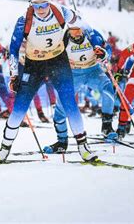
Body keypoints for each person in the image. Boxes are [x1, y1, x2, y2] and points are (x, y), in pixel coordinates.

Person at [0, 0, 97, 163]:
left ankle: (83, 147)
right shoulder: (24, 20)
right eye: (36, 5)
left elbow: (86, 28)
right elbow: (12, 49)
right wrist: (13, 76)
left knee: (69, 102)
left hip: (58, 62)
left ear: (50, 2)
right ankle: (3, 150)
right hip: (34, 65)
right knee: (20, 105)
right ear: (31, 4)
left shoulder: (62, 12)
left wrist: (97, 46)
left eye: (44, 5)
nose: (41, 9)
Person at [44, 17, 115, 153]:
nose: (76, 33)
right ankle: (61, 141)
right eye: (72, 30)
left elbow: (108, 49)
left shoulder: (93, 35)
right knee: (60, 108)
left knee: (107, 87)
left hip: (93, 71)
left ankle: (107, 127)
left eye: (78, 30)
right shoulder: (63, 39)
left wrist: (105, 55)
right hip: (73, 74)